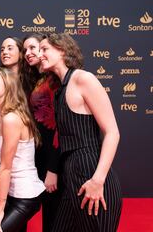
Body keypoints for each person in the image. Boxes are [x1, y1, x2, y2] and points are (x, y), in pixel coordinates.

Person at [39, 33, 122, 231]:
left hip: (91, 177)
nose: (40, 54)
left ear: (62, 50)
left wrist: (97, 180)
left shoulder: (83, 79)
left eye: (45, 49)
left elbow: (112, 132)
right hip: (72, 178)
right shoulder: (60, 89)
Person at [0, 67, 45, 232]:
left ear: (8, 86)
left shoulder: (11, 119)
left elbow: (6, 167)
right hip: (9, 192)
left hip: (25, 195)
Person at [22, 33, 61, 232]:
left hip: (52, 159)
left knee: (54, 214)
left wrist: (52, 169)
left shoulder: (53, 81)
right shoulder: (39, 79)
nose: (28, 53)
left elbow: (58, 127)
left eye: (33, 48)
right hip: (40, 155)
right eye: (25, 50)